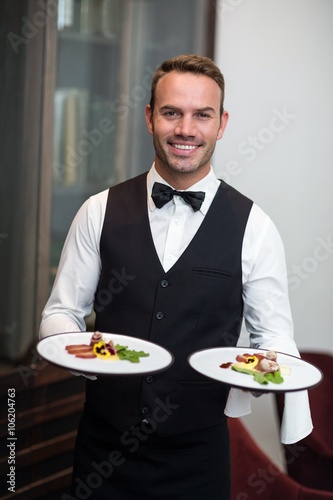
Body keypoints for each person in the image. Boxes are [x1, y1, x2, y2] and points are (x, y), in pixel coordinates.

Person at [39, 54, 312, 500]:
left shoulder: (255, 227)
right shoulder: (99, 209)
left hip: (196, 462)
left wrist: (264, 373)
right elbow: (60, 314)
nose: (186, 129)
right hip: (102, 454)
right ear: (150, 117)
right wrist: (86, 356)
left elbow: (275, 341)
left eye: (202, 115)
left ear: (221, 124)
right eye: (171, 112)